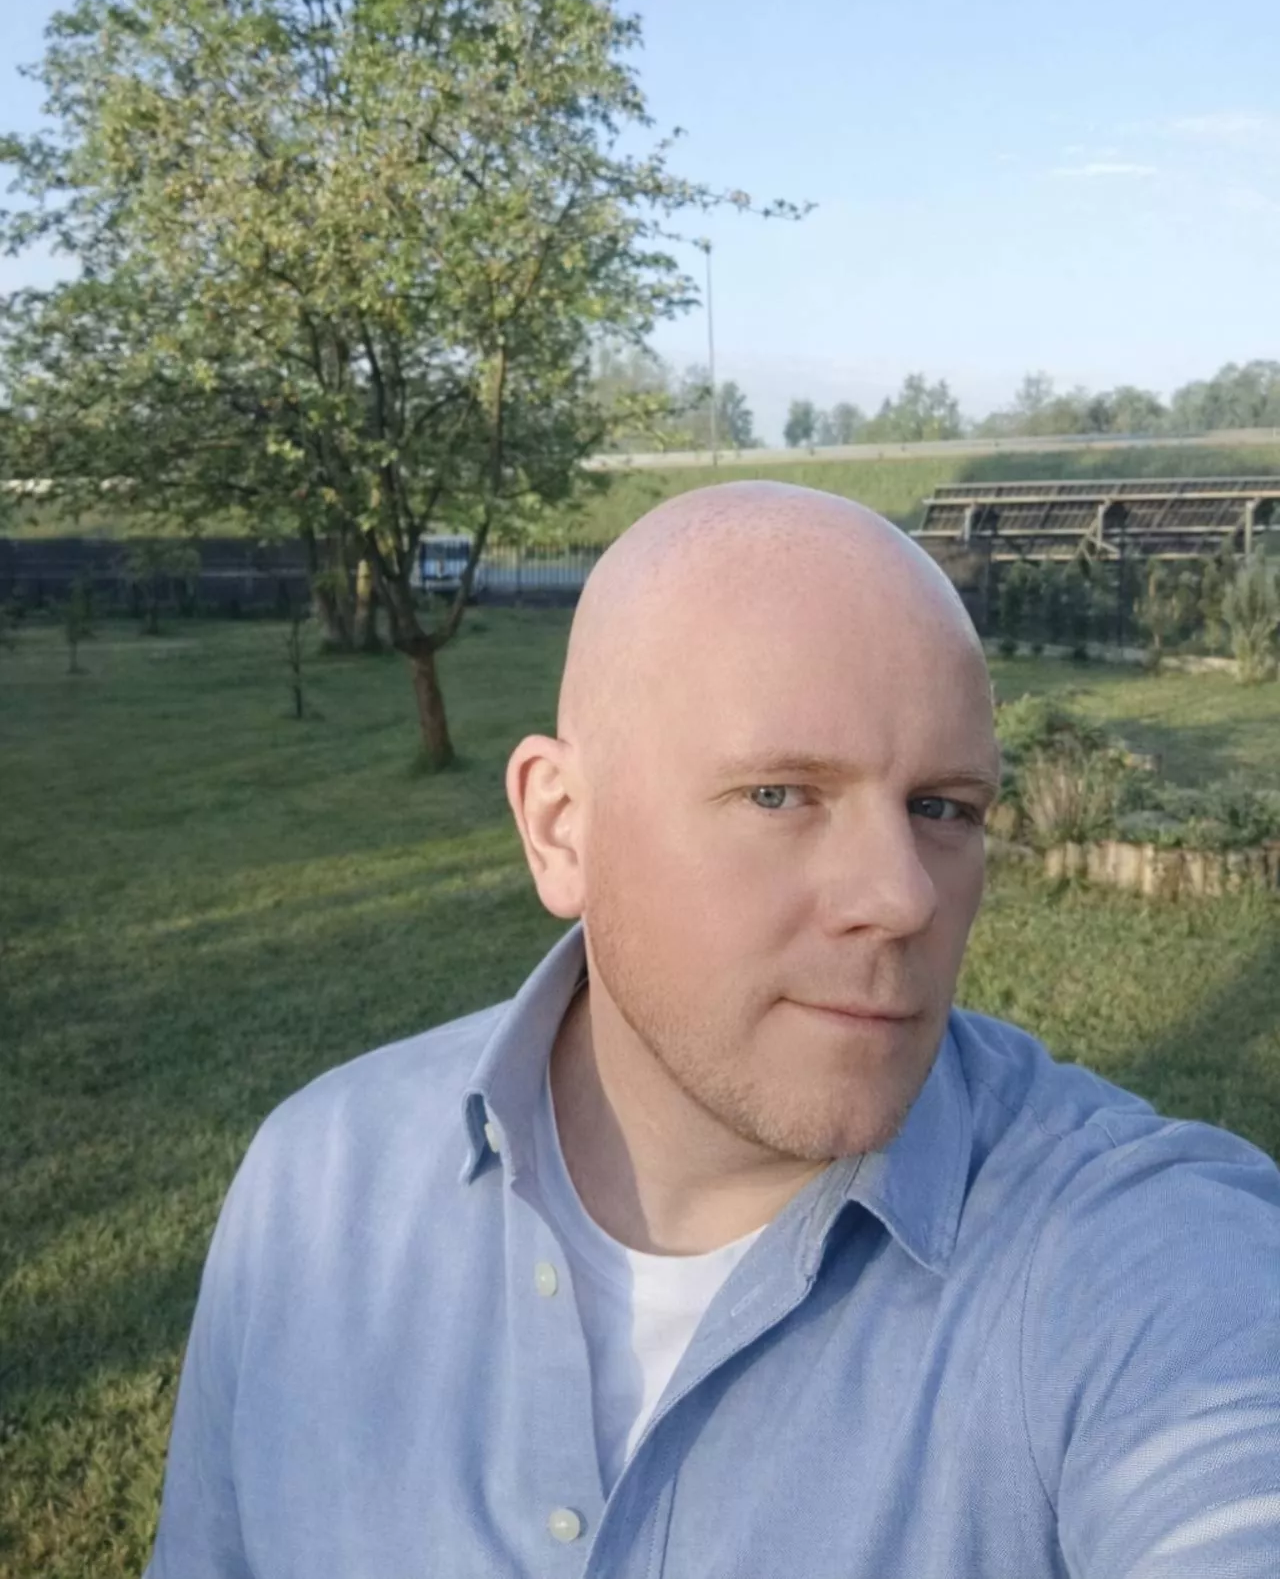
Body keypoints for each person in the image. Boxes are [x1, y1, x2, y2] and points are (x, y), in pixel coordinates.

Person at [145, 482, 1280, 1578]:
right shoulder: (313, 1186)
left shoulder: (1132, 1255)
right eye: (779, 794)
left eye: (943, 807)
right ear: (561, 827)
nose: (903, 897)